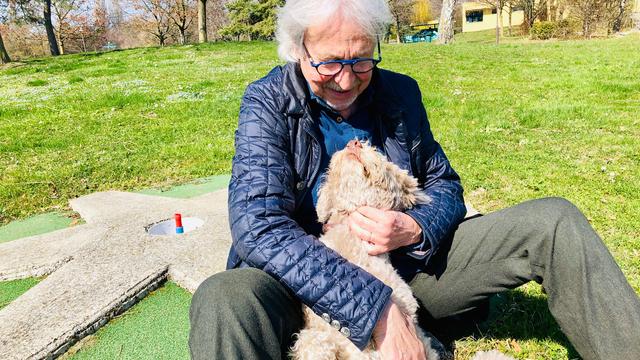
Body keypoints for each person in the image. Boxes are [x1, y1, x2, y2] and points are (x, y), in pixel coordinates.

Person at [189, 1, 640, 359]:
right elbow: (257, 226)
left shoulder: (399, 93)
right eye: (329, 63)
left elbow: (444, 185)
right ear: (297, 51)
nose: (347, 80)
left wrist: (416, 227)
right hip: (301, 293)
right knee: (222, 299)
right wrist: (376, 309)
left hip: (407, 272)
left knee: (553, 221)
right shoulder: (266, 103)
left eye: (362, 60)